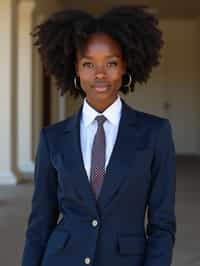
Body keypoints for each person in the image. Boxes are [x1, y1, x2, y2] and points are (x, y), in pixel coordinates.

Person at [21, 5, 176, 266]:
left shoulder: (155, 133)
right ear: (76, 69)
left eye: (111, 63)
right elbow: (40, 222)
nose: (100, 74)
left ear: (125, 66)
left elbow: (162, 225)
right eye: (88, 64)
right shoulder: (53, 138)